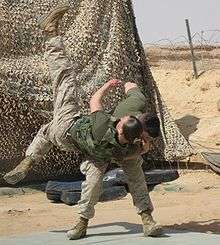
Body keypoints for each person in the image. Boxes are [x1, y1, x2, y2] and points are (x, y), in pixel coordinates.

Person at [3, 5, 162, 239]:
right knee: (111, 175)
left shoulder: (119, 119)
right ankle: (142, 220)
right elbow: (120, 113)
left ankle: (31, 160)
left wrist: (114, 85)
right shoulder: (130, 139)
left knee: (63, 85)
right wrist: (140, 148)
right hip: (87, 145)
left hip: (73, 133)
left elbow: (107, 97)